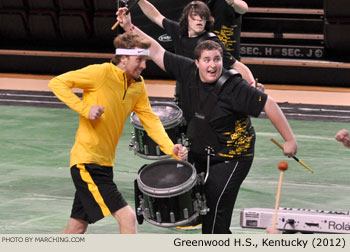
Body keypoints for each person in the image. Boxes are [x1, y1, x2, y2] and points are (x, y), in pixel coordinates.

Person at [117, 7, 298, 234]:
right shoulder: (185, 70)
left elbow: (269, 104)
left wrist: (289, 140)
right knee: (204, 217)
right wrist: (129, 28)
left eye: (217, 60)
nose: (212, 65)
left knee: (214, 220)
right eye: (207, 60)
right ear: (196, 62)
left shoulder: (235, 87)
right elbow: (155, 50)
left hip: (232, 158)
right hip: (202, 154)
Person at [48, 32, 188, 234]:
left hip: (104, 164)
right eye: (139, 59)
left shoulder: (137, 85)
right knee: (128, 218)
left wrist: (170, 148)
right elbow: (57, 83)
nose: (144, 65)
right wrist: (85, 109)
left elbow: (149, 119)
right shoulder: (101, 73)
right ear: (123, 58)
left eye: (145, 60)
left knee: (76, 228)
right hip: (87, 163)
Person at [137, 0, 262, 119]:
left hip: (207, 97)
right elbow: (155, 16)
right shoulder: (179, 31)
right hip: (185, 91)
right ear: (187, 18)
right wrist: (139, 1)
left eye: (203, 17)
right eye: (195, 16)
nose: (199, 19)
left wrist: (252, 85)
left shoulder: (211, 44)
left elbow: (237, 65)